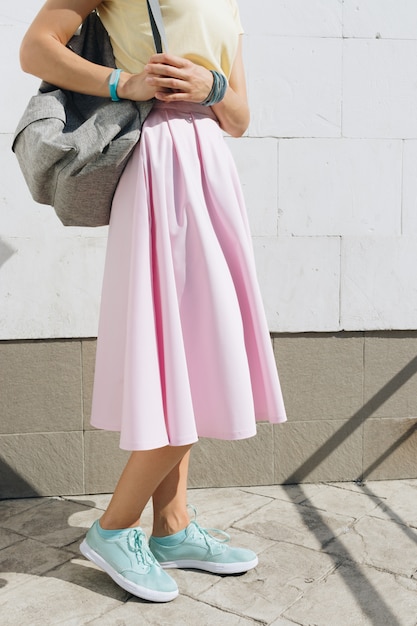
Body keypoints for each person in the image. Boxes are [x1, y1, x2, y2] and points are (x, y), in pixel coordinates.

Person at [20, 0, 287, 603]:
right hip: (161, 162)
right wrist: (124, 82)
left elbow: (239, 117)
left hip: (211, 165)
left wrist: (213, 84)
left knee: (189, 344)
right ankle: (113, 529)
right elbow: (36, 47)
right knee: (197, 352)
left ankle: (171, 528)